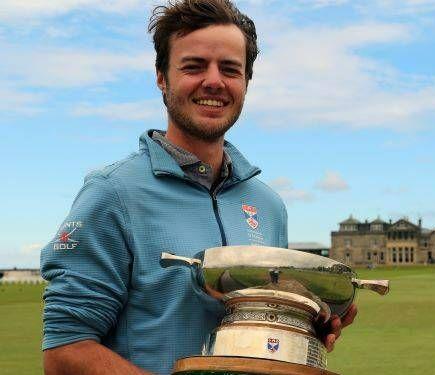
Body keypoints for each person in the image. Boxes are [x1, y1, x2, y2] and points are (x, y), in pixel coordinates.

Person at [40, 1, 355, 374]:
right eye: (193, 66)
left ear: (246, 82)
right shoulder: (113, 193)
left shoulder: (267, 204)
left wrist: (302, 326)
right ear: (161, 77)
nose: (214, 81)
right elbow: (65, 350)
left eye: (230, 69)